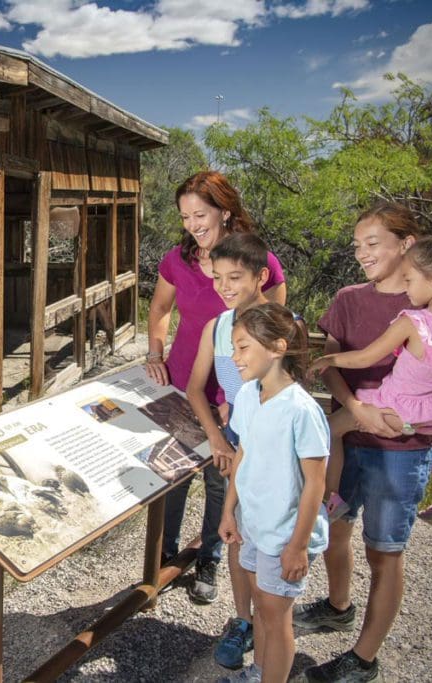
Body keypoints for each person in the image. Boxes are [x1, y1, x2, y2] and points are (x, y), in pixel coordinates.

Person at [293, 202, 432, 682]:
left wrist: (430, 414)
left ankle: (363, 658)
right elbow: (338, 361)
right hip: (351, 429)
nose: (362, 253)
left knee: (384, 550)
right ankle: (338, 606)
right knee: (336, 529)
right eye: (357, 245)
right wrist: (359, 410)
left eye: (373, 243)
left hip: (401, 452)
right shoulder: (348, 299)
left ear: (407, 245)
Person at [146, 171, 286, 605]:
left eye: (200, 213)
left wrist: (242, 393)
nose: (192, 223)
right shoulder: (178, 259)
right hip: (182, 380)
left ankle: (207, 558)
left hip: (233, 393)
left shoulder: (256, 260)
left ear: (225, 211)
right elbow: (160, 307)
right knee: (172, 475)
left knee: (219, 478)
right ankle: (164, 556)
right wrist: (155, 353)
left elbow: (269, 328)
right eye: (185, 215)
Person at [311, 230, 432, 520]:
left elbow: (365, 357)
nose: (406, 288)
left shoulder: (413, 322)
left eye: (409, 280)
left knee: (328, 428)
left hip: (393, 404)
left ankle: (331, 498)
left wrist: (328, 358)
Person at [217, 303, 330, 683]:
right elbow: (242, 453)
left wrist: (297, 546)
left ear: (278, 347)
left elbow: (316, 482)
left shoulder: (302, 410)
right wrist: (229, 511)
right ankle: (259, 672)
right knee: (262, 607)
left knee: (275, 614)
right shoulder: (249, 395)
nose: (234, 358)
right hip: (253, 522)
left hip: (284, 532)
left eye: (243, 347)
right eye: (234, 347)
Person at [185, 232, 273, 668]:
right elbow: (195, 388)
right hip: (233, 441)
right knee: (235, 530)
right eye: (217, 276)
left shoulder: (282, 326)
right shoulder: (217, 327)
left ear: (260, 276)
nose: (223, 285)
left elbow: (289, 394)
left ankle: (272, 625)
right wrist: (217, 438)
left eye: (234, 276)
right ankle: (243, 620)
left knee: (268, 536)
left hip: (271, 447)